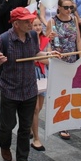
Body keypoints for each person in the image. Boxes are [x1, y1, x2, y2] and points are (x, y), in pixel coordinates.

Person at [0, 7, 60, 161]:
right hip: (10, 89)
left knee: (25, 126)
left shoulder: (33, 36)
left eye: (31, 20)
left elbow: (35, 53)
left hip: (29, 89)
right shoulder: (3, 40)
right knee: (8, 125)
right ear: (16, 23)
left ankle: (22, 159)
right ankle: (4, 146)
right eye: (27, 21)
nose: (31, 24)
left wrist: (51, 56)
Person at [47, 0, 81, 140]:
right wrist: (50, 55)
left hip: (72, 60)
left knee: (72, 91)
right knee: (61, 92)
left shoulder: (74, 19)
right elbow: (46, 40)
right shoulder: (53, 21)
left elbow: (78, 40)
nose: (69, 10)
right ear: (59, 8)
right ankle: (62, 124)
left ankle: (69, 119)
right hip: (58, 61)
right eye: (66, 8)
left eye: (71, 8)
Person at [30, 18, 50, 152]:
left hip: (43, 74)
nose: (37, 27)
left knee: (39, 107)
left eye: (39, 25)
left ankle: (30, 126)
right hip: (31, 74)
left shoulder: (46, 40)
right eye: (35, 25)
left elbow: (48, 60)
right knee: (35, 108)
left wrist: (38, 58)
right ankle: (36, 138)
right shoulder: (28, 40)